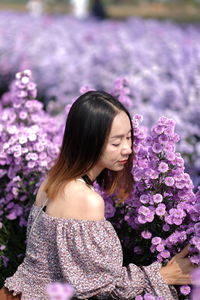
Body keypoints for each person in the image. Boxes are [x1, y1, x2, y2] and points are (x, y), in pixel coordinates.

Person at [1, 91, 194, 300]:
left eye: (129, 138)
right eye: (116, 142)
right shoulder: (87, 200)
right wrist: (164, 274)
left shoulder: (51, 182)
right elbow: (104, 287)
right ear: (88, 142)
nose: (128, 149)